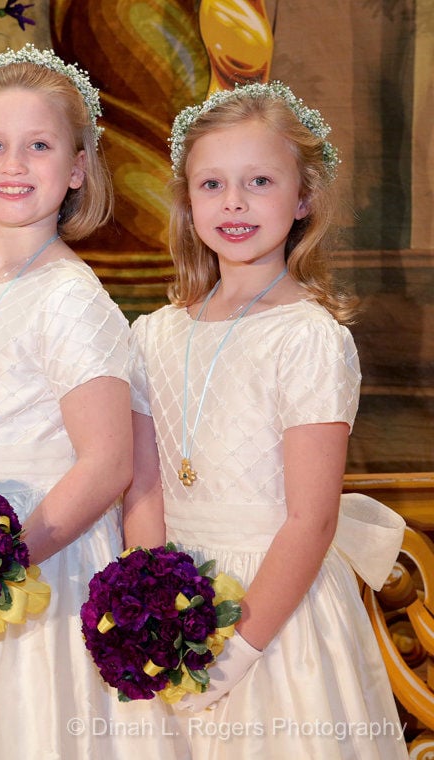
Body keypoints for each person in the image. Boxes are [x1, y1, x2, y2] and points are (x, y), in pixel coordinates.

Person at [0, 45, 185, 758]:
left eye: (39, 146)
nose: (14, 164)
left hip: (43, 572)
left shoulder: (71, 296)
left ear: (78, 168)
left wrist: (0, 564)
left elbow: (107, 462)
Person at [124, 81, 407, 758]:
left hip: (278, 616)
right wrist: (151, 610)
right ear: (188, 202)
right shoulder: (154, 335)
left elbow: (311, 518)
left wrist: (239, 649)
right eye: (212, 184)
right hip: (178, 604)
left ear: (304, 196)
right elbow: (144, 487)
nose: (235, 202)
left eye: (259, 181)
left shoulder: (308, 336)